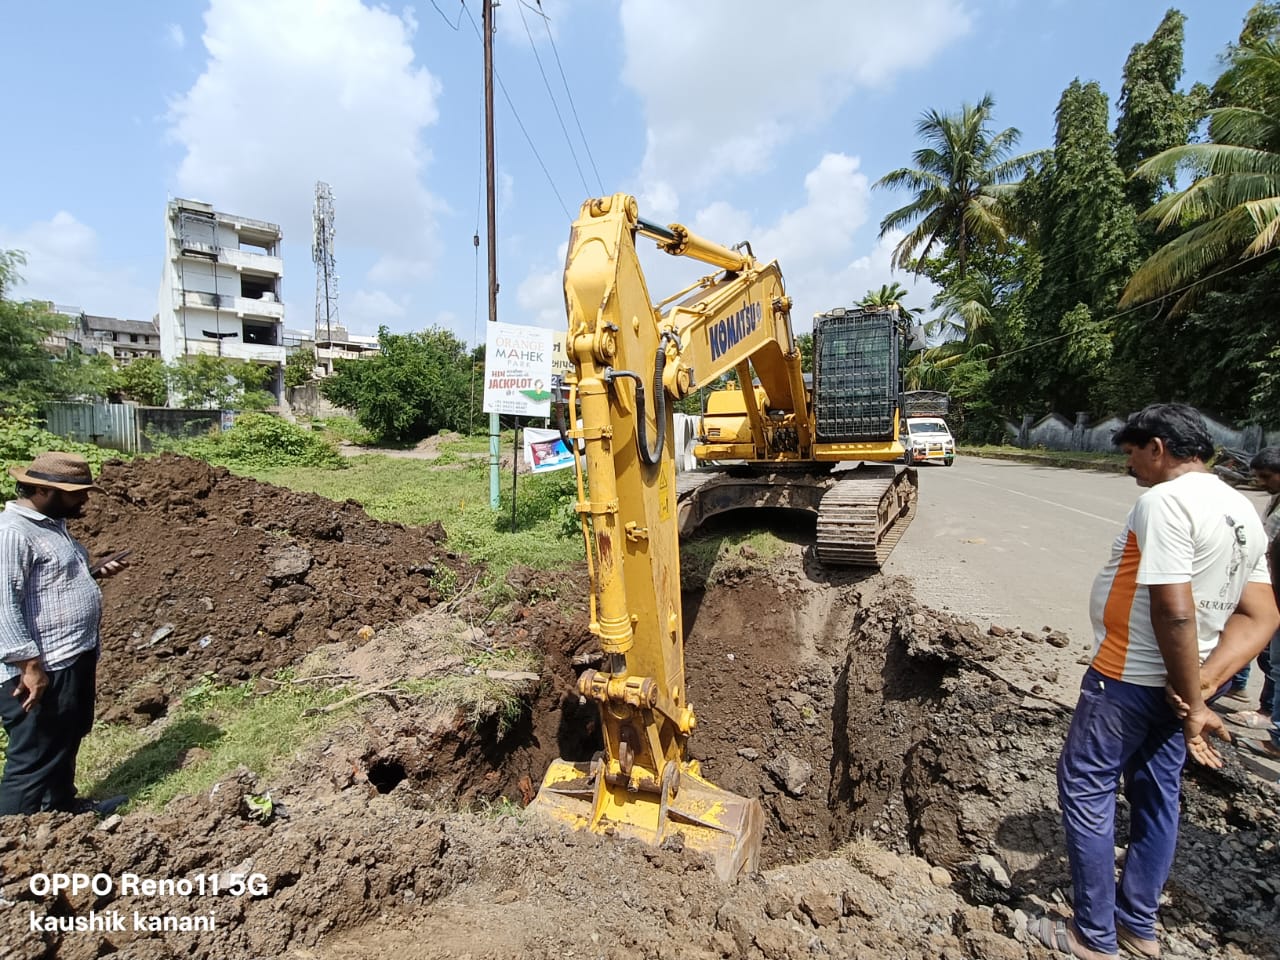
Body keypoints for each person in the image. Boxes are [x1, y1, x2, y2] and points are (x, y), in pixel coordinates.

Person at [1027, 404, 1279, 960]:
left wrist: (1194, 698)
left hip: (1126, 679)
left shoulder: (1165, 501)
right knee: (1157, 795)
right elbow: (1262, 615)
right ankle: (1137, 926)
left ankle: (1092, 937)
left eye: (1132, 453)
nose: (1130, 466)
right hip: (1179, 688)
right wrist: (1201, 686)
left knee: (1086, 789)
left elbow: (1175, 610)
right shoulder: (1241, 510)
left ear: (1158, 448)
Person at [0, 452, 129, 816]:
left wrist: (94, 572)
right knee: (33, 757)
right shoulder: (12, 533)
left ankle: (60, 811)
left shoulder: (50, 524)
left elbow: (46, 584)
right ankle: (13, 837)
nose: (84, 499)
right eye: (76, 493)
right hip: (37, 668)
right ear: (43, 490)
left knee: (65, 737)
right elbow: (3, 603)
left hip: (69, 655)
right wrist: (28, 665)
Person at [1226, 447, 1280, 759]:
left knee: (1275, 663)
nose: (1260, 482)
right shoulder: (1276, 499)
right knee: (1271, 659)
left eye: (1266, 476)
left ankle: (1274, 728)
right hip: (1269, 586)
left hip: (1274, 591)